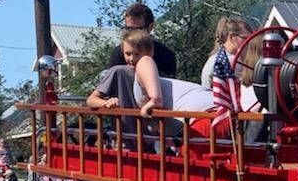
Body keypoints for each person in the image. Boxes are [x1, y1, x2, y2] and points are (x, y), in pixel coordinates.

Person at [88, 29, 223, 142]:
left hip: (207, 116)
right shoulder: (129, 72)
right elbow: (91, 100)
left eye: (137, 54)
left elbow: (146, 63)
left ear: (150, 54)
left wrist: (154, 100)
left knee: (191, 160)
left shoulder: (145, 63)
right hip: (212, 113)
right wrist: (106, 103)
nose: (132, 58)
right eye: (127, 54)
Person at [107, 3, 177, 77]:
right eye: (128, 29)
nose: (132, 33)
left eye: (137, 29)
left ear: (150, 27)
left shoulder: (165, 55)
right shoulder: (119, 53)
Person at [201, 18, 253, 88]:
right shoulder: (231, 62)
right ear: (232, 37)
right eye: (245, 38)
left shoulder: (215, 58)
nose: (249, 42)